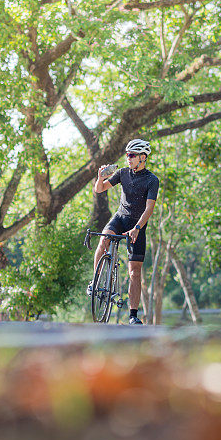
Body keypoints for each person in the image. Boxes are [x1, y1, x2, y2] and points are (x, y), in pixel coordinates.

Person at [88, 139, 159, 325]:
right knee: (104, 240)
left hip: (138, 225)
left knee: (135, 272)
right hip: (120, 218)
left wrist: (137, 228)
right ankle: (95, 282)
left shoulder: (152, 180)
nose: (128, 158)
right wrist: (100, 177)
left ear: (142, 158)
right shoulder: (122, 173)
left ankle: (133, 315)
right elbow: (99, 189)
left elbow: (149, 209)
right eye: (127, 155)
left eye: (132, 155)